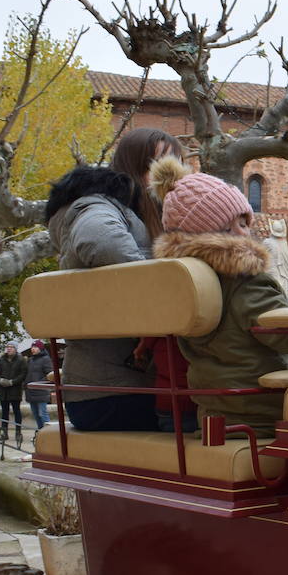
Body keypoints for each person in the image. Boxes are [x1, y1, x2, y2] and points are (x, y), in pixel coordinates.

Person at [150, 159, 288, 438]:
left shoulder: (186, 279)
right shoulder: (243, 279)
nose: (249, 231)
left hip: (213, 413)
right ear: (216, 230)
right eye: (240, 223)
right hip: (262, 411)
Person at [44, 127, 179, 431]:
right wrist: (173, 283)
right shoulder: (99, 205)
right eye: (161, 165)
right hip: (113, 391)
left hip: (142, 385)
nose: (171, 176)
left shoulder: (154, 214)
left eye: (177, 165)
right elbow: (101, 242)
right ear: (135, 166)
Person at [0, 342, 29, 444]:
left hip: (15, 390)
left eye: (11, 347)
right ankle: (4, 432)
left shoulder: (21, 360)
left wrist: (12, 382)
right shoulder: (1, 359)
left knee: (16, 411)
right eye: (8, 347)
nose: (9, 349)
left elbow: (23, 374)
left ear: (15, 349)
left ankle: (18, 432)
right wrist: (0, 380)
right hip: (3, 390)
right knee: (4, 412)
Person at [24, 340, 53, 433]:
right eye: (32, 347)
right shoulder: (30, 360)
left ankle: (48, 432)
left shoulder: (46, 359)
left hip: (41, 391)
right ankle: (40, 432)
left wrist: (40, 383)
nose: (33, 349)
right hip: (31, 391)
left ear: (40, 348)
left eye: (35, 347)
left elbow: (50, 375)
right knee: (35, 414)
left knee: (42, 413)